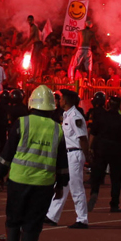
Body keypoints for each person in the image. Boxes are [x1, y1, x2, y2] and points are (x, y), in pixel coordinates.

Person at [0, 85, 69, 241]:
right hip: (43, 185)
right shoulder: (57, 129)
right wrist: (61, 185)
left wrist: (0, 175)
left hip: (18, 181)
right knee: (32, 225)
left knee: (13, 221)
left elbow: (7, 152)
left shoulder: (22, 123)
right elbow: (62, 162)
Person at [44, 89, 90, 228]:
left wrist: (87, 157)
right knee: (62, 185)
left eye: (61, 98)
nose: (60, 100)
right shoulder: (67, 115)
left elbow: (82, 138)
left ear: (67, 100)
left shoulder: (75, 116)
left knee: (76, 187)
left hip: (74, 154)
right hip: (68, 154)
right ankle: (52, 216)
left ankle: (82, 219)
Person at [89, 92, 121, 213]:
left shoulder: (101, 116)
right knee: (116, 178)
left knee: (97, 174)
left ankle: (94, 192)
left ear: (108, 104)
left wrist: (90, 147)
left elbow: (93, 133)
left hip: (101, 147)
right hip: (117, 150)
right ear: (119, 106)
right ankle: (114, 204)